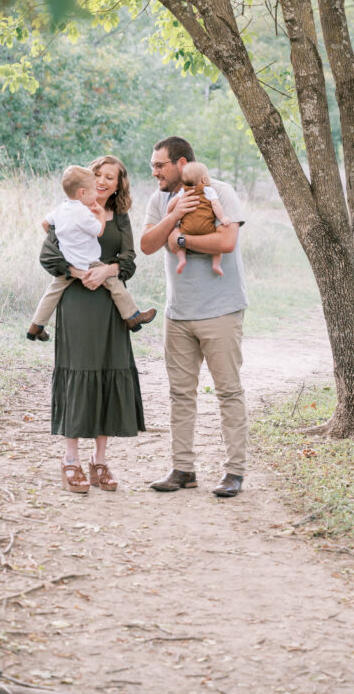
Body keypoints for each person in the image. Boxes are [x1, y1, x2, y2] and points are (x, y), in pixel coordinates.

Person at [141, 136, 249, 498]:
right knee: (180, 394)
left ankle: (234, 472)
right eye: (153, 165)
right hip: (179, 313)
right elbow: (147, 245)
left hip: (221, 310)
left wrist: (182, 241)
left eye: (160, 165)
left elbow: (226, 242)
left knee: (228, 392)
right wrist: (172, 217)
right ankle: (182, 469)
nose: (154, 171)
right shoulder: (159, 199)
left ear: (181, 162)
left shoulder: (221, 191)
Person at [40, 155, 146, 494]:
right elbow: (48, 256)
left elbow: (129, 260)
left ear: (118, 185)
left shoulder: (120, 218)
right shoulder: (69, 211)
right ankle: (70, 459)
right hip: (77, 302)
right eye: (97, 175)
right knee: (79, 371)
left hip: (111, 306)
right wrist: (81, 273)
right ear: (87, 180)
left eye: (110, 177)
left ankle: (99, 460)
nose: (102, 181)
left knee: (108, 371)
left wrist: (107, 270)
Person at [27, 164, 156, 341]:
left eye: (109, 178)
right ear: (82, 192)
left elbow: (45, 224)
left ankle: (36, 325)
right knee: (115, 285)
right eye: (94, 187)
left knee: (52, 292)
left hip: (69, 261)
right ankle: (133, 316)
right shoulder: (83, 213)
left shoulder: (61, 208)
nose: (98, 188)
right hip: (89, 262)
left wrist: (64, 239)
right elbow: (98, 231)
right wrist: (101, 215)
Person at [173, 160, 231, 276]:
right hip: (206, 229)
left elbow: (172, 203)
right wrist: (222, 217)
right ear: (204, 179)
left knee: (179, 242)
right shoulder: (208, 190)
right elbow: (215, 205)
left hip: (186, 229)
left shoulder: (183, 191)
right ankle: (216, 265)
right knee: (217, 247)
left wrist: (170, 213)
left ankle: (182, 260)